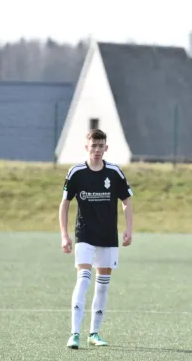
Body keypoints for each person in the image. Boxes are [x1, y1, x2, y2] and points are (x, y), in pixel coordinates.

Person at [59, 129, 134, 349]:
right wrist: (64, 235)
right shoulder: (76, 172)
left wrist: (129, 229)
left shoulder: (114, 172)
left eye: (101, 146)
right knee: (83, 279)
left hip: (108, 236)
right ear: (87, 147)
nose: (97, 150)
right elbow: (65, 204)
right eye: (94, 146)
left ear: (106, 148)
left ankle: (94, 333)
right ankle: (74, 334)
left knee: (103, 286)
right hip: (84, 234)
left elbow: (127, 200)